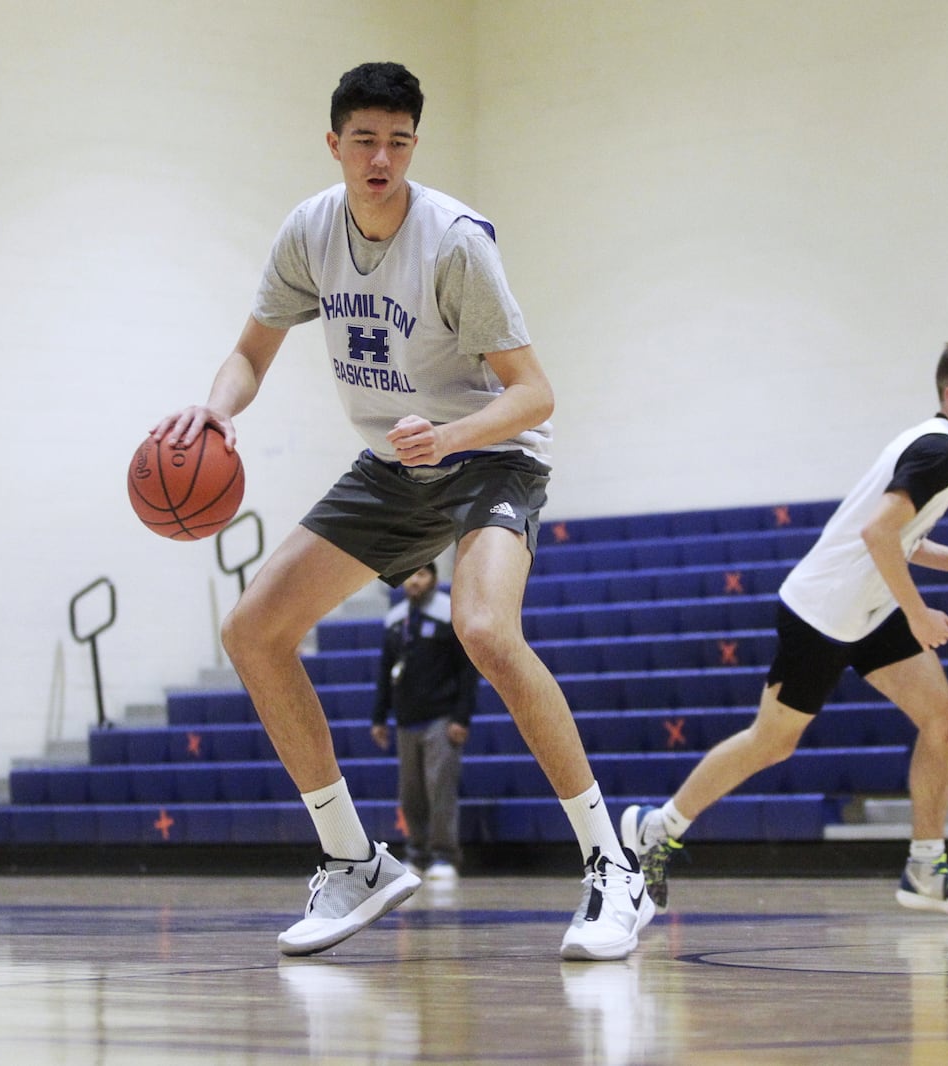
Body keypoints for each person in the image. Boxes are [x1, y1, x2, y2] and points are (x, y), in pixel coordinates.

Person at [152, 61, 653, 960]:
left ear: (414, 145)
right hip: (394, 464)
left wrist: (453, 438)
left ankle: (612, 867)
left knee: (486, 630)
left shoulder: (454, 242)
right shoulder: (309, 232)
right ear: (334, 141)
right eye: (364, 140)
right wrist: (217, 409)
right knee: (254, 630)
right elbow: (249, 354)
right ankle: (355, 861)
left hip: (487, 457)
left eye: (398, 141)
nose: (381, 157)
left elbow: (535, 395)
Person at [622, 338, 948, 918]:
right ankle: (658, 827)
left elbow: (898, 537)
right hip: (823, 614)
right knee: (772, 743)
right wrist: (918, 613)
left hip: (869, 606)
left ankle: (925, 870)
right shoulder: (940, 454)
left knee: (944, 717)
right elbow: (879, 535)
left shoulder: (932, 444)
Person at [370, 561, 477, 882]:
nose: (414, 582)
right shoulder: (395, 619)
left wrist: (461, 716)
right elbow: (385, 672)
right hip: (406, 721)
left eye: (421, 574)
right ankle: (417, 852)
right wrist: (379, 716)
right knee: (411, 793)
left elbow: (467, 671)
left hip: (441, 719)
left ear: (434, 578)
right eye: (409, 575)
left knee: (440, 789)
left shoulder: (449, 613)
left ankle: (445, 856)